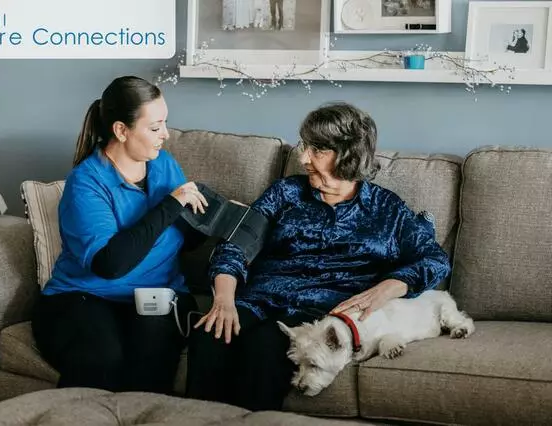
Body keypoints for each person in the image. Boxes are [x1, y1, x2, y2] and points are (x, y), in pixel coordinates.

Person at [185, 102, 451, 411]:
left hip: (320, 313)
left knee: (265, 346)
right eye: (305, 146)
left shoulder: (387, 210)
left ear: (348, 155)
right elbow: (237, 243)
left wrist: (388, 287)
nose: (303, 158)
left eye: (317, 150)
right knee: (210, 334)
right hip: (258, 300)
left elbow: (434, 260)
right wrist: (223, 299)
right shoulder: (286, 193)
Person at [31, 76, 208, 395]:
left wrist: (211, 218)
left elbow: (185, 240)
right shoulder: (86, 182)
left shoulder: (164, 165)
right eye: (155, 127)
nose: (166, 135)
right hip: (85, 296)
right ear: (121, 130)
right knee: (101, 359)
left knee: (150, 359)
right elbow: (109, 264)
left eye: (165, 123)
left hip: (160, 294)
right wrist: (170, 205)